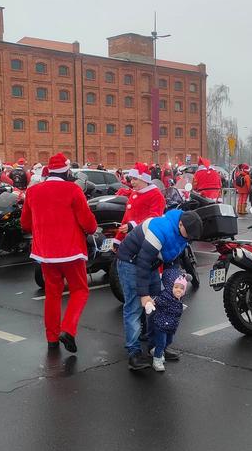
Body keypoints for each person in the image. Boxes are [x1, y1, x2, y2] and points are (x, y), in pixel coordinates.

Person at [20, 153, 97, 353]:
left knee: (52, 294)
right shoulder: (73, 190)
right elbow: (88, 224)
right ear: (67, 171)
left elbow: (25, 224)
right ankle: (68, 330)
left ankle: (51, 338)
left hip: (45, 253)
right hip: (71, 252)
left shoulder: (33, 191)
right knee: (79, 291)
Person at [116, 209, 203, 370]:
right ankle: (134, 353)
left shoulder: (184, 234)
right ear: (180, 224)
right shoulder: (160, 229)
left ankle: (156, 347)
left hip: (151, 263)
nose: (189, 238)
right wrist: (144, 295)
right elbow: (142, 262)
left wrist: (177, 282)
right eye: (188, 234)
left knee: (156, 306)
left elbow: (174, 258)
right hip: (131, 261)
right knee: (134, 307)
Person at [114, 163, 166, 246]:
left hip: (145, 240)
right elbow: (126, 219)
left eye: (135, 179)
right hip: (131, 239)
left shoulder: (156, 195)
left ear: (144, 180)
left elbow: (154, 218)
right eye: (131, 179)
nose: (132, 182)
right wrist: (118, 240)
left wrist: (133, 225)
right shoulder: (135, 193)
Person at [148, 268, 187, 372]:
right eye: (176, 287)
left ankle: (156, 350)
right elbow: (156, 301)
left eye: (182, 288)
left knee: (169, 341)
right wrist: (150, 303)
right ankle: (157, 360)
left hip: (171, 326)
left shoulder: (179, 299)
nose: (178, 290)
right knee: (161, 343)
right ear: (171, 286)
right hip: (160, 324)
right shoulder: (166, 296)